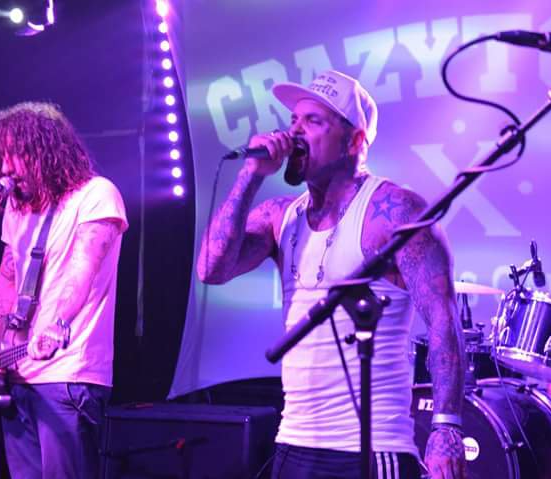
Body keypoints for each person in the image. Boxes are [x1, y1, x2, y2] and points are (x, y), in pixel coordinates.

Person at [197, 70, 465, 479]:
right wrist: (250, 176)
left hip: (373, 449)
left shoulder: (395, 211)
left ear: (354, 141)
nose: (294, 132)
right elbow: (211, 269)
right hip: (294, 442)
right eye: (293, 120)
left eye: (313, 121)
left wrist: (446, 427)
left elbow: (444, 320)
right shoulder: (281, 216)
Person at [0, 102, 128, 479]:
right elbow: (7, 282)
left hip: (67, 375)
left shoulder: (96, 194)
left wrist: (57, 324)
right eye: (1, 156)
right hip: (15, 375)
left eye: (15, 154)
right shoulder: (18, 208)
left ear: (46, 150)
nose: (6, 167)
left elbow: (82, 272)